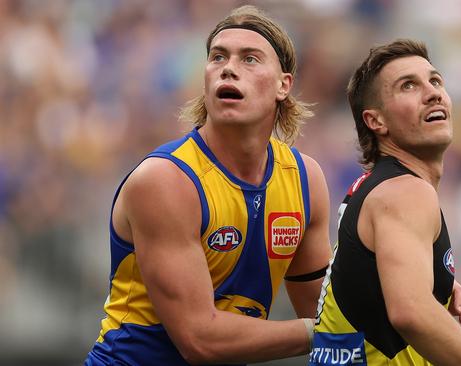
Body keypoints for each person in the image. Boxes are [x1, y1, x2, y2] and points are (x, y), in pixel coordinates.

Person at [85, 5, 332, 365]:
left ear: (284, 85)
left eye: (250, 59)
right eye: (218, 57)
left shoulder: (306, 180)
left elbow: (327, 315)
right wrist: (320, 331)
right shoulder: (166, 180)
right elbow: (200, 340)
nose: (228, 67)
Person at [310, 39, 461, 366]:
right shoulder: (405, 191)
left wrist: (434, 278)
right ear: (376, 121)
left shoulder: (371, 189)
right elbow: (411, 313)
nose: (433, 92)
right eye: (408, 86)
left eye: (436, 81)